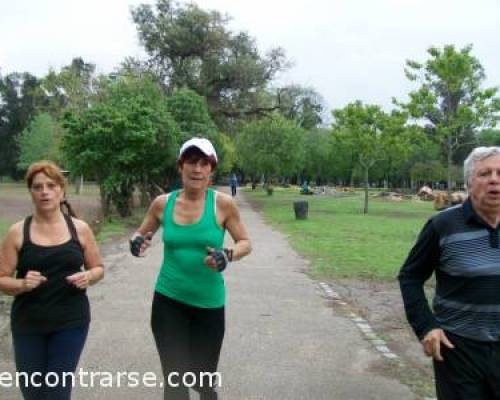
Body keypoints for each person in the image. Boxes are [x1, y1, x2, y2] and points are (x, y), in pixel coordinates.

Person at [129, 137, 251, 400]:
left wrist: (227, 254)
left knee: (203, 382)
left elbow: (245, 243)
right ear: (180, 166)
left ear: (211, 169)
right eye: (191, 162)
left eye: (204, 163)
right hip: (168, 301)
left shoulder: (223, 205)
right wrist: (137, 243)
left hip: (208, 305)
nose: (197, 169)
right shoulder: (163, 203)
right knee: (175, 382)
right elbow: (139, 235)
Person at [399, 146, 500, 399]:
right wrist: (426, 326)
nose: (494, 180)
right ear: (468, 183)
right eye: (485, 173)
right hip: (458, 348)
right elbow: (410, 276)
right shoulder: (442, 225)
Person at [0, 160, 104, 400]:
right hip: (28, 324)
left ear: (61, 189)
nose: (44, 191)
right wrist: (22, 284)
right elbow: (2, 279)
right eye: (37, 187)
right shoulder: (18, 231)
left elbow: (98, 268)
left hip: (70, 322)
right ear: (31, 192)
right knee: (33, 393)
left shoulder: (80, 229)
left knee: (57, 393)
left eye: (50, 185)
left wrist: (89, 276)